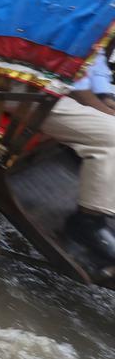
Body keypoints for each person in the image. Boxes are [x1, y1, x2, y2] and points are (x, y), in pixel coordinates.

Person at [39, 49, 115, 262]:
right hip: (33, 90)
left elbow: (96, 60)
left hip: (64, 87)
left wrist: (105, 96)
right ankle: (88, 221)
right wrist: (103, 109)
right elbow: (76, 79)